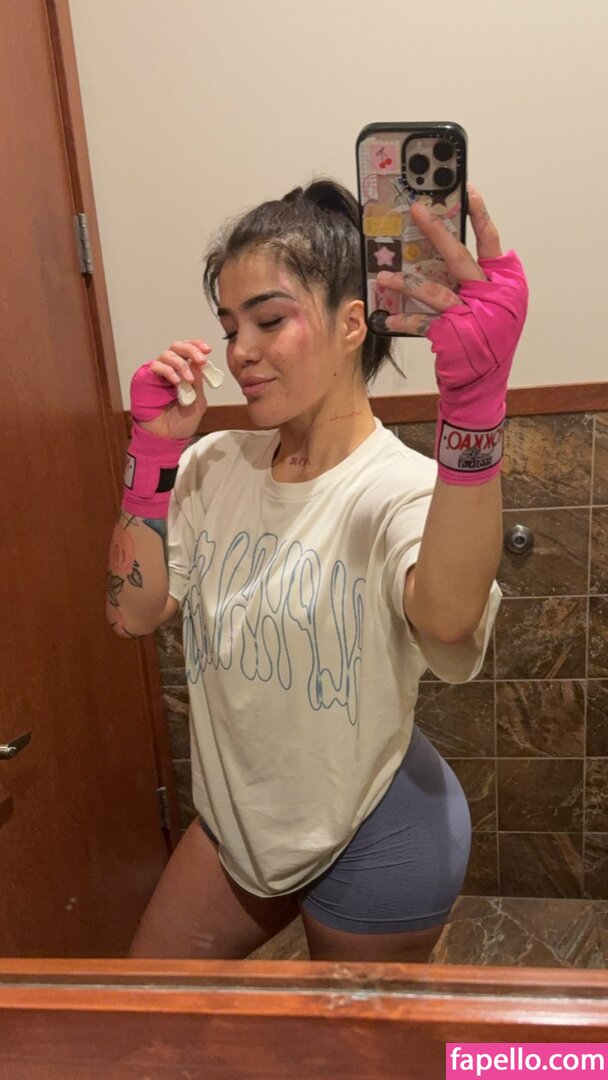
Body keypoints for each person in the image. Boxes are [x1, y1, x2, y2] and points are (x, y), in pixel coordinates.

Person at [106, 178, 528, 963]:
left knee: (344, 1037)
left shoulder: (400, 489)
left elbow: (448, 622)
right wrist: (150, 459)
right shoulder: (212, 465)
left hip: (380, 831)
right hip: (241, 825)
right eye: (230, 326)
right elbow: (130, 613)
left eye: (269, 320)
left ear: (351, 324)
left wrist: (474, 410)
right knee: (146, 1010)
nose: (240, 350)